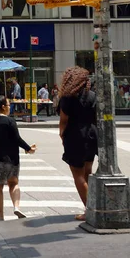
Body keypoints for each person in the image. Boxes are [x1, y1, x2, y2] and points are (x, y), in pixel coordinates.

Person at [0, 95, 37, 221]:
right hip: (10, 159)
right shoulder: (9, 121)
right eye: (8, 105)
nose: (9, 107)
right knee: (14, 183)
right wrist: (28, 148)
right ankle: (16, 207)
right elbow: (17, 139)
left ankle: (0, 216)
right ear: (3, 107)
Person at [58, 67, 98, 221]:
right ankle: (92, 207)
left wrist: (62, 136)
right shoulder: (92, 96)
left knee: (78, 174)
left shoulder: (68, 98)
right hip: (92, 134)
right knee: (87, 171)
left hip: (75, 135)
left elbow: (63, 121)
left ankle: (90, 210)